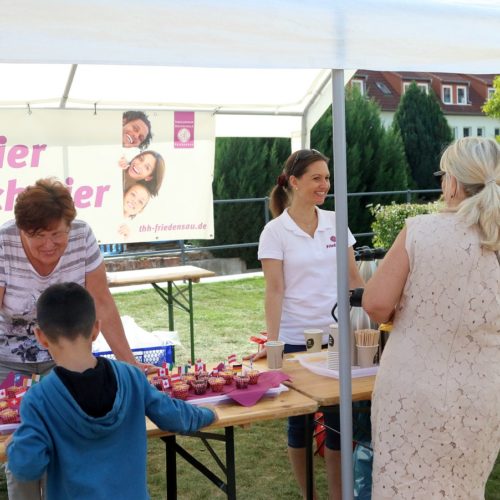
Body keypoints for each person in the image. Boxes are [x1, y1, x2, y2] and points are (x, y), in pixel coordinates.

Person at [363, 136, 500, 499]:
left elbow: (375, 304)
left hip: (415, 391)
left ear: (453, 182)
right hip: (484, 393)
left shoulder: (421, 230)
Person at [0, 177, 150, 499]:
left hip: (67, 357)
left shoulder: (82, 235)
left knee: (72, 439)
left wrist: (130, 363)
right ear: (21, 229)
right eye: (37, 236)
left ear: (70, 225)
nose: (49, 245)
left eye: (58, 234)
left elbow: (102, 302)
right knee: (21, 446)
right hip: (8, 361)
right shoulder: (3, 243)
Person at [5, 282, 217, 499]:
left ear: (40, 336)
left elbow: (26, 467)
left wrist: (17, 442)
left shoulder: (39, 399)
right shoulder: (131, 377)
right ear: (96, 329)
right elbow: (174, 416)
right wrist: (209, 413)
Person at [250, 149, 364, 500]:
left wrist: (374, 316)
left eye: (327, 178)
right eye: (317, 178)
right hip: (295, 341)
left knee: (337, 424)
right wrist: (274, 348)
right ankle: (309, 496)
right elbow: (275, 291)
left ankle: (336, 496)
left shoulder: (335, 221)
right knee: (298, 423)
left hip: (335, 338)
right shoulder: (275, 232)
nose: (325, 185)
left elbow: (353, 279)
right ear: (294, 182)